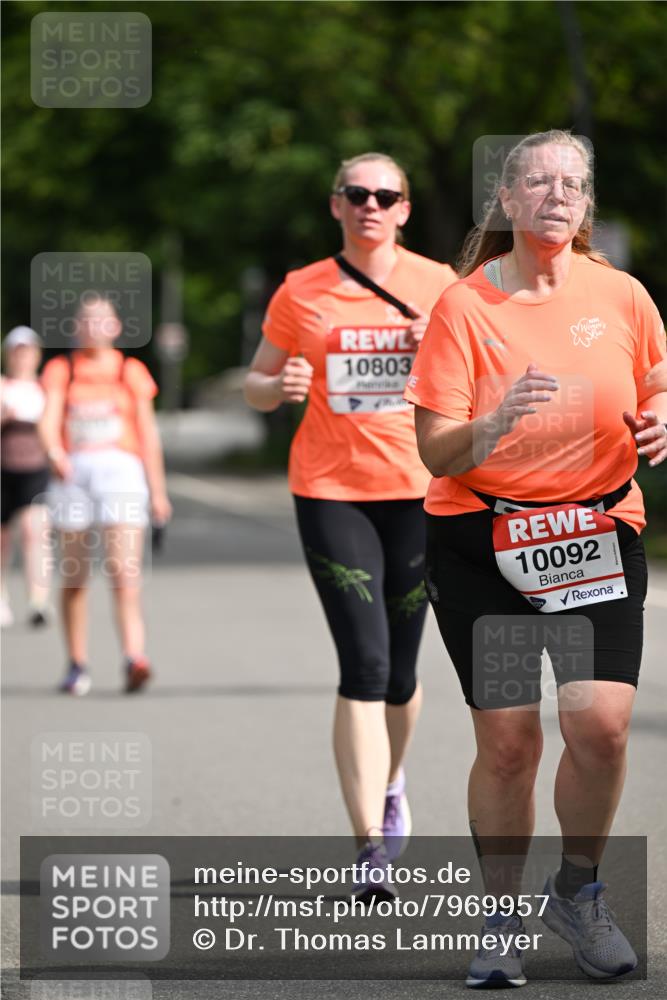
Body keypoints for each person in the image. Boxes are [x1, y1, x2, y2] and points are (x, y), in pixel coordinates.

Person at [405, 129, 666, 987]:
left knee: (599, 725)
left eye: (573, 183)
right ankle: (500, 919)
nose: (556, 194)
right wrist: (494, 422)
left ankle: (578, 892)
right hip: (484, 540)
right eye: (538, 181)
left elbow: (657, 384)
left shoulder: (622, 296)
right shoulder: (465, 308)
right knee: (510, 742)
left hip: (594, 535)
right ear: (508, 200)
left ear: (585, 204)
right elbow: (437, 453)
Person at [244, 152, 457, 895]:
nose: (370, 204)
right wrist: (278, 386)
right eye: (356, 193)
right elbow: (255, 381)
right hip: (330, 490)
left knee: (401, 673)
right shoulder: (302, 289)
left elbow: (478, 374)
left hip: (421, 493)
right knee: (363, 666)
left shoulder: (440, 285)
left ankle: (393, 780)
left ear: (403, 208)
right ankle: (369, 841)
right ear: (336, 205)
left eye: (385, 194)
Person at [39, 293, 172, 695]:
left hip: (121, 472)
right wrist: (54, 453)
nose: (93, 327)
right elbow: (47, 421)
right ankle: (77, 663)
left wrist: (158, 492)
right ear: (76, 327)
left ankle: (135, 656)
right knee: (76, 575)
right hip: (75, 471)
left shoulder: (130, 371)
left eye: (102, 320)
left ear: (115, 327)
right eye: (86, 320)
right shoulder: (62, 370)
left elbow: (149, 436)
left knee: (123, 570)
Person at [1, 326, 52, 627]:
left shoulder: (46, 388)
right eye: (17, 351)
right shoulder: (2, 385)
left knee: (35, 533)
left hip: (35, 469)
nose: (22, 357)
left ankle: (38, 601)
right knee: (2, 539)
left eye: (28, 351)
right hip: (3, 469)